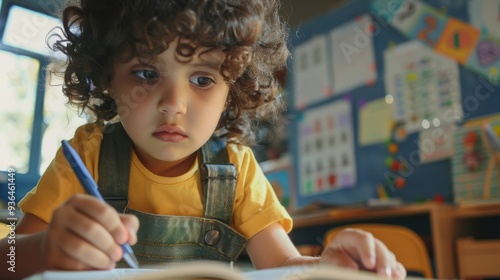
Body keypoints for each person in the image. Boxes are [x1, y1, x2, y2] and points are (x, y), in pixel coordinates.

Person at [0, 0, 406, 279]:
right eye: (146, 73)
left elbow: (283, 267)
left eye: (202, 79)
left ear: (234, 87)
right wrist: (45, 248)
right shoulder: (87, 154)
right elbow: (10, 259)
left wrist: (329, 268)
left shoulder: (237, 169)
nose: (174, 105)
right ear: (107, 76)